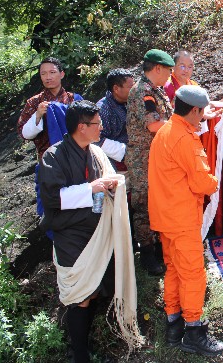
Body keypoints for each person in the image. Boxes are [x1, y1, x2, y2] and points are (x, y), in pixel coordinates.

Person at [38, 100, 142, 362]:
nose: (101, 127)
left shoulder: (95, 152)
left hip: (97, 232)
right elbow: (53, 199)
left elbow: (105, 183)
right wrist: (92, 188)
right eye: (97, 124)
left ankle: (85, 349)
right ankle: (80, 355)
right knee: (80, 295)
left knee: (95, 289)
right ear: (82, 127)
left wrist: (111, 186)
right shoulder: (53, 156)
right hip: (70, 234)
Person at [148, 85, 223, 356]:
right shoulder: (185, 138)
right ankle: (193, 331)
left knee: (173, 269)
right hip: (182, 218)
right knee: (193, 273)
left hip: (165, 217)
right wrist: (215, 180)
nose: (203, 116)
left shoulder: (165, 131)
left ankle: (173, 325)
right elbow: (202, 183)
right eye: (202, 112)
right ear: (194, 110)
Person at [126, 49, 174, 275]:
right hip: (143, 159)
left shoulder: (157, 90)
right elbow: (154, 125)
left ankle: (158, 248)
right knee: (144, 205)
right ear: (157, 68)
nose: (170, 76)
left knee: (159, 202)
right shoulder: (142, 92)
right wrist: (184, 124)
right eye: (168, 71)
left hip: (157, 156)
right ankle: (146, 254)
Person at [17, 57, 82, 160]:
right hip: (48, 159)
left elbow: (88, 127)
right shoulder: (34, 102)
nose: (48, 77)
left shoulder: (74, 99)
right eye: (43, 74)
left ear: (62, 74)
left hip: (77, 156)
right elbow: (24, 134)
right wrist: (37, 115)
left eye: (52, 72)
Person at [97, 68, 134, 171]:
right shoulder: (103, 109)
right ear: (116, 89)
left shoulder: (131, 101)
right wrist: (127, 152)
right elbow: (97, 140)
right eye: (131, 87)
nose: (134, 90)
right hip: (114, 163)